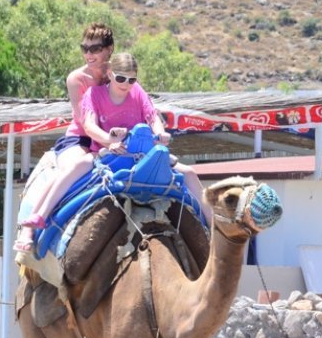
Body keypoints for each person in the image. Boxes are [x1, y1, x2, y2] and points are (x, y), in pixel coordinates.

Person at [14, 51, 209, 252]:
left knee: (189, 174)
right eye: (121, 78)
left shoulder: (138, 92)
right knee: (74, 167)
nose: (126, 84)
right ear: (110, 73)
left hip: (141, 157)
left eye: (131, 79)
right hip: (107, 155)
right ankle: (38, 219)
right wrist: (109, 142)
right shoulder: (94, 95)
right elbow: (89, 126)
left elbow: (152, 117)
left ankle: (212, 228)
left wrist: (160, 133)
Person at [14, 23, 114, 252]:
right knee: (73, 168)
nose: (88, 54)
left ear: (109, 49)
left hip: (115, 139)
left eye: (95, 48)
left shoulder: (120, 76)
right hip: (82, 139)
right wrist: (108, 140)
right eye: (84, 48)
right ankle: (32, 223)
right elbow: (85, 122)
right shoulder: (76, 79)